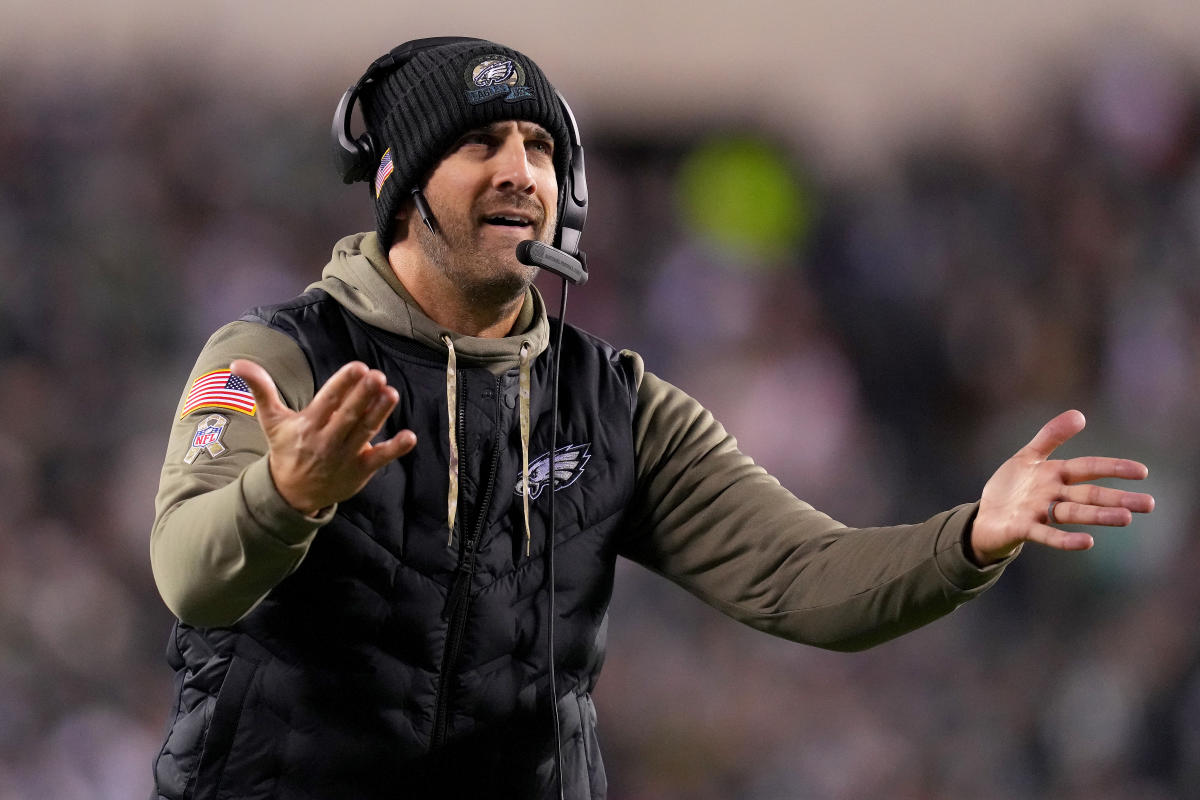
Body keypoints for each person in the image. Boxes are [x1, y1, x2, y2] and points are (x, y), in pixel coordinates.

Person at [148, 36, 1155, 800]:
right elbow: (189, 570)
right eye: (480, 143)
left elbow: (804, 576)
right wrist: (284, 494)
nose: (520, 171)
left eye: (539, 146)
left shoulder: (612, 401)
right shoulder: (278, 356)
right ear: (402, 186)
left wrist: (970, 534)